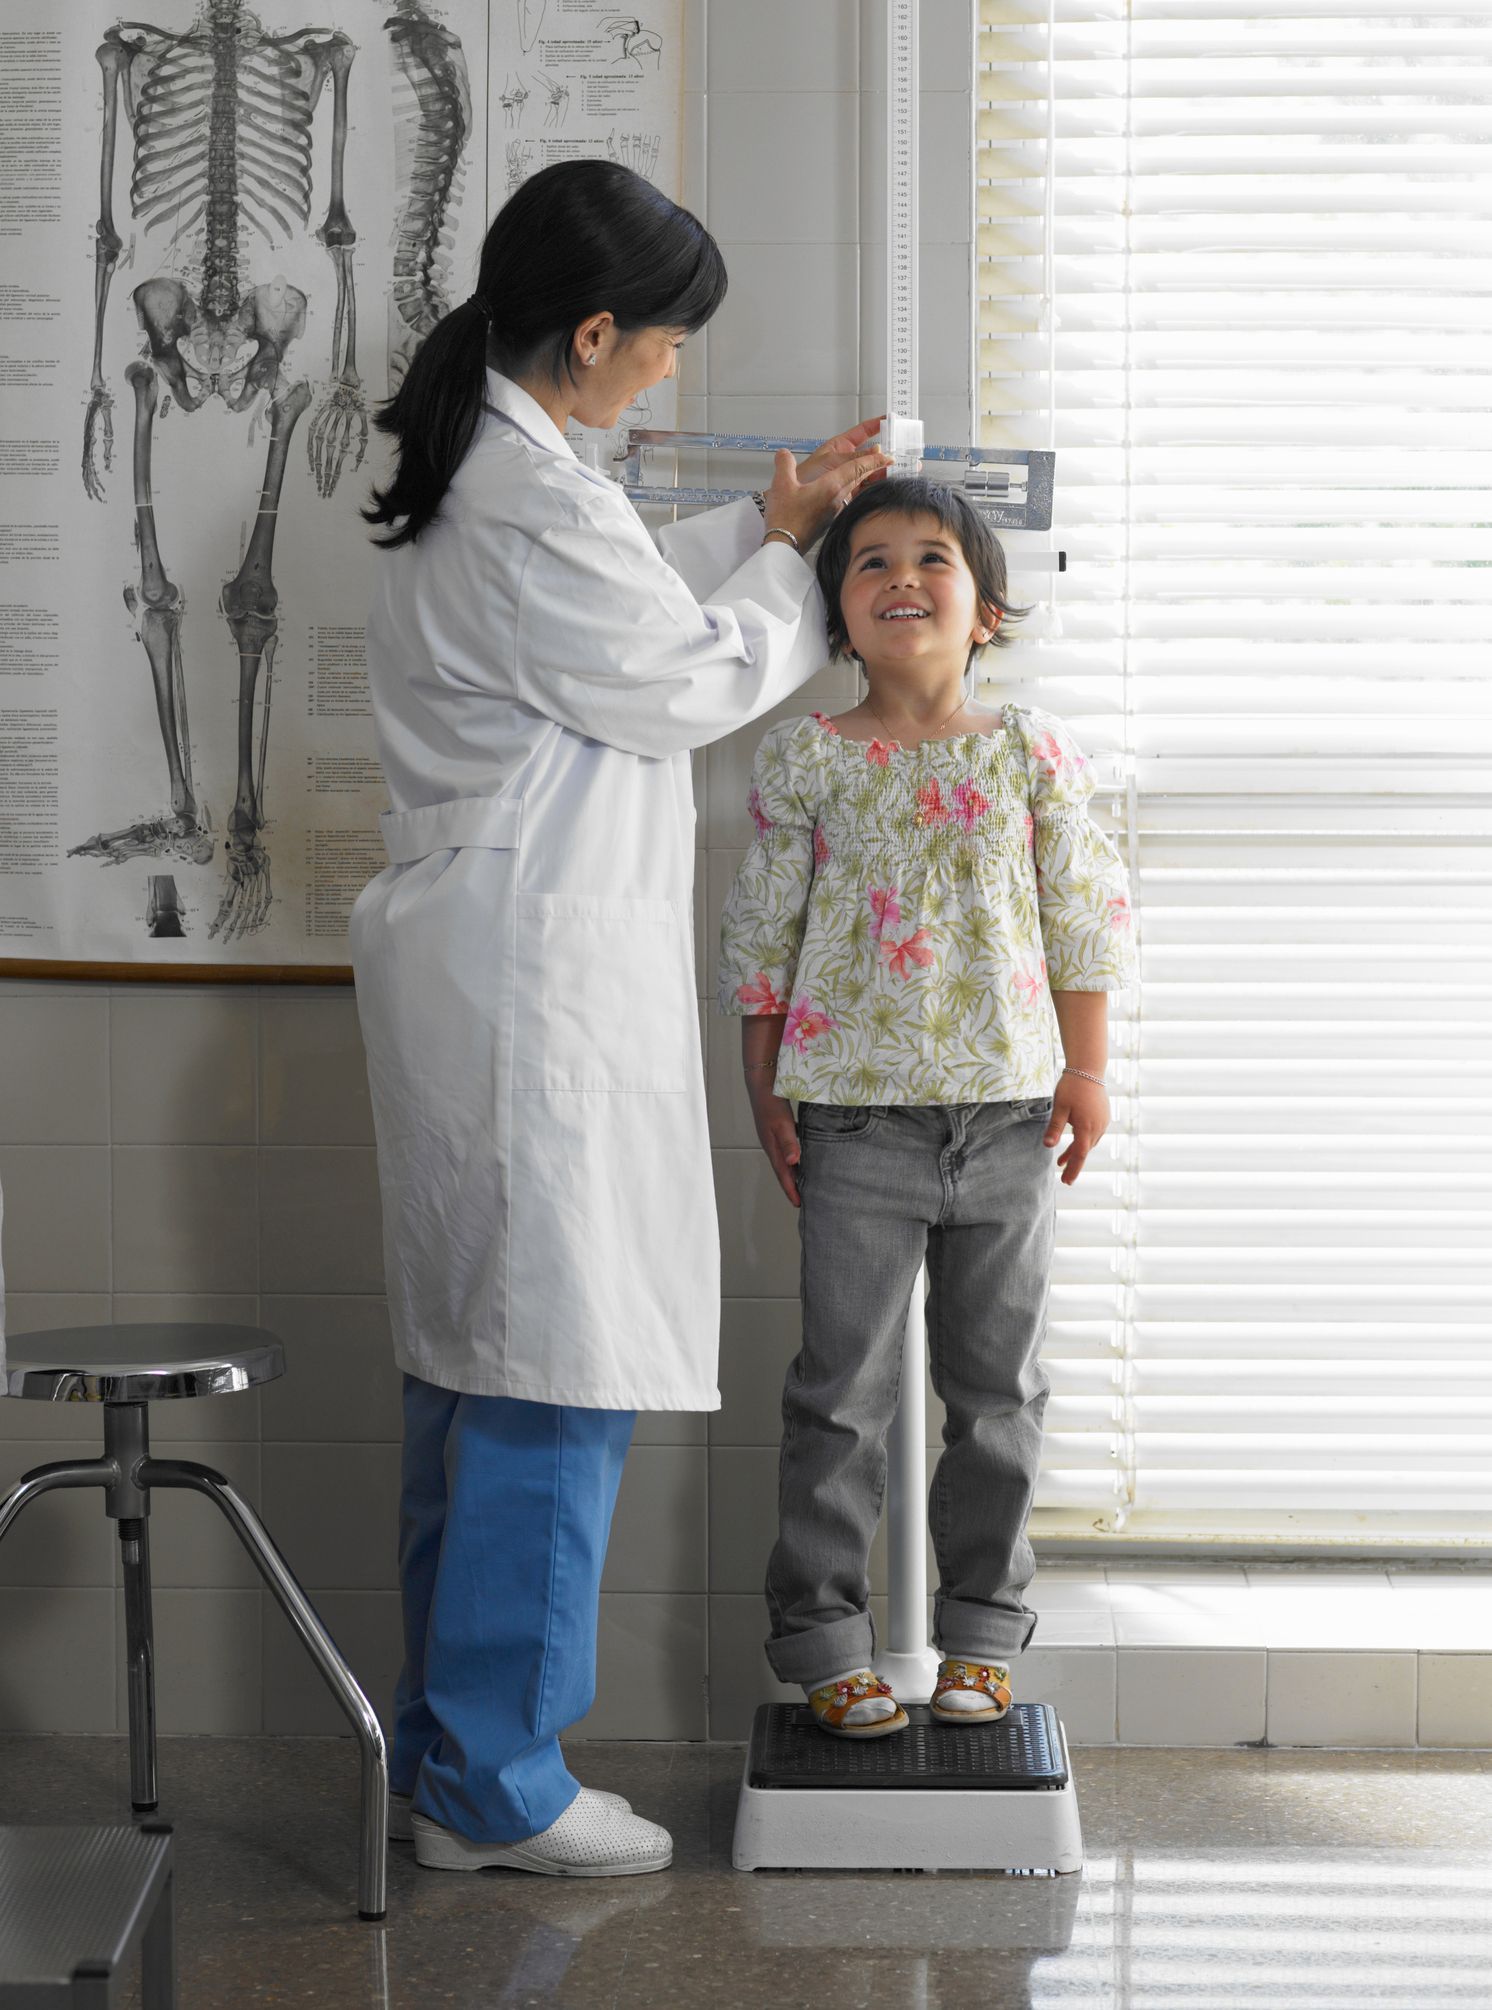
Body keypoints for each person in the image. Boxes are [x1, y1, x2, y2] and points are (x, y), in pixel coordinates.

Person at [351, 159, 888, 1873]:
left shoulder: (495, 471)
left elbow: (618, 599)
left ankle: (447, 1754)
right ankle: (497, 1785)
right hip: (531, 984)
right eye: (664, 341)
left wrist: (766, 525)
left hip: (485, 963)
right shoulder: (529, 502)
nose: (671, 369)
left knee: (475, 1375)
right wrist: (794, 570)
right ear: (591, 333)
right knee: (548, 1377)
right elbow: (678, 678)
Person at [718, 478, 1136, 1738]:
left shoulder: (1029, 750)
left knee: (997, 1392)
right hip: (852, 1121)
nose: (902, 577)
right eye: (871, 562)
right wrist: (763, 1085)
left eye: (932, 558)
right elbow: (762, 936)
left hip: (1008, 1118)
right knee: (836, 1393)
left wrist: (1087, 1070)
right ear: (838, 615)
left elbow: (1082, 917)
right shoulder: (806, 756)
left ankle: (981, 1637)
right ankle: (824, 1640)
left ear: (986, 610)